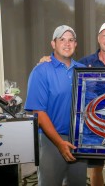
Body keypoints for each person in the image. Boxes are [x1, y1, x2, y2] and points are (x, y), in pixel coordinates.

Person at [38, 22, 105, 186]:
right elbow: (62, 65)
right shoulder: (84, 63)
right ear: (98, 39)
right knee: (95, 168)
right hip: (91, 126)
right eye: (104, 36)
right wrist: (46, 59)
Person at [24, 25, 87, 186]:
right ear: (53, 44)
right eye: (62, 39)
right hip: (51, 139)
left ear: (76, 44)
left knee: (78, 183)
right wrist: (59, 143)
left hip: (79, 141)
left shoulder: (84, 71)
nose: (67, 43)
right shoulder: (41, 71)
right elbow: (39, 112)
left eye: (71, 40)